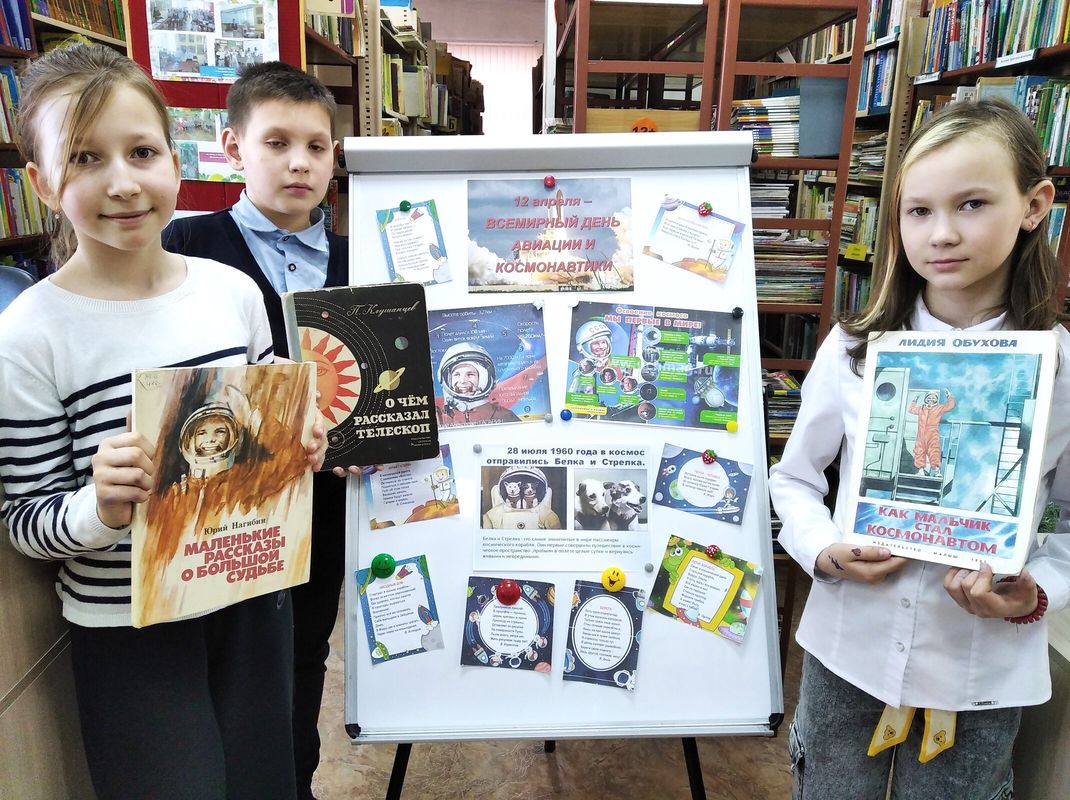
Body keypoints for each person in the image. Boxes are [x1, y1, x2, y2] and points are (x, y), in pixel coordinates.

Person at [0, 43, 325, 799]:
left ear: (175, 162)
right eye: (85, 159)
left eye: (141, 152)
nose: (122, 182)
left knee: (264, 783)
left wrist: (297, 440)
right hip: (129, 626)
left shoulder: (230, 292)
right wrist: (99, 506)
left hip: (251, 596)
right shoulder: (28, 335)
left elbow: (265, 433)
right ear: (42, 183)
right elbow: (24, 520)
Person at [768, 98, 1070, 799]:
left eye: (972, 204)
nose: (942, 233)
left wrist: (1034, 592)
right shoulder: (855, 349)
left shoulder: (1060, 371)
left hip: (981, 671)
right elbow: (795, 479)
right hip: (850, 649)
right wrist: (826, 549)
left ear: (1034, 206)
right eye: (918, 211)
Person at [162, 60, 347, 800]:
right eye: (277, 143)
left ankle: (294, 784)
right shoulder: (181, 245)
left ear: (335, 156)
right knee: (219, 659)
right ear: (233, 147)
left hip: (325, 500)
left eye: (317, 146)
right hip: (215, 507)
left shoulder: (362, 260)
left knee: (303, 654)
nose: (299, 163)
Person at [437, 341, 520, 426]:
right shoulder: (438, 418)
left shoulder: (506, 417)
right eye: (457, 375)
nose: (462, 381)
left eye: (470, 374)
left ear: (482, 379)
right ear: (447, 379)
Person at [908, 387, 954, 478]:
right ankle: (921, 470)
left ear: (936, 400)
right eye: (929, 397)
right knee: (919, 451)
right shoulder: (921, 408)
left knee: (934, 451)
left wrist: (949, 396)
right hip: (921, 434)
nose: (931, 399)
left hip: (932, 434)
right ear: (925, 399)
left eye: (933, 398)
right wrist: (915, 400)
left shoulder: (939, 408)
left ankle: (937, 471)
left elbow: (950, 406)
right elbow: (911, 409)